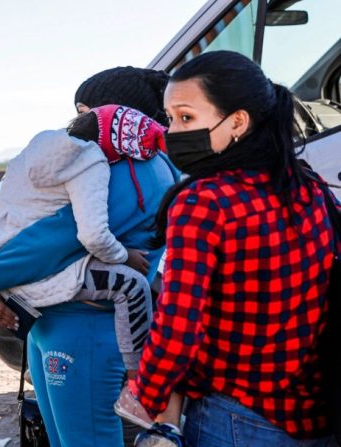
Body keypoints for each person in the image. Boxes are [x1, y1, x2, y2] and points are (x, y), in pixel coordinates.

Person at [133, 50, 340, 446]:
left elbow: (178, 328)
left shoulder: (204, 201)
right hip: (313, 411)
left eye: (187, 117)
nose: (171, 132)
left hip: (233, 417)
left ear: (238, 122)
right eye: (170, 118)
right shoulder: (309, 186)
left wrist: (147, 395)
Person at [0, 66, 179, 447]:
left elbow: (48, 241)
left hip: (81, 330)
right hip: (64, 324)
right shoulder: (153, 166)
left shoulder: (123, 174)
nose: (75, 128)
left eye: (84, 113)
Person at [0, 104, 166, 375]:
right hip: (25, 271)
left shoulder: (40, 146)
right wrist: (124, 256)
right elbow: (92, 235)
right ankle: (136, 376)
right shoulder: (91, 161)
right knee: (132, 284)